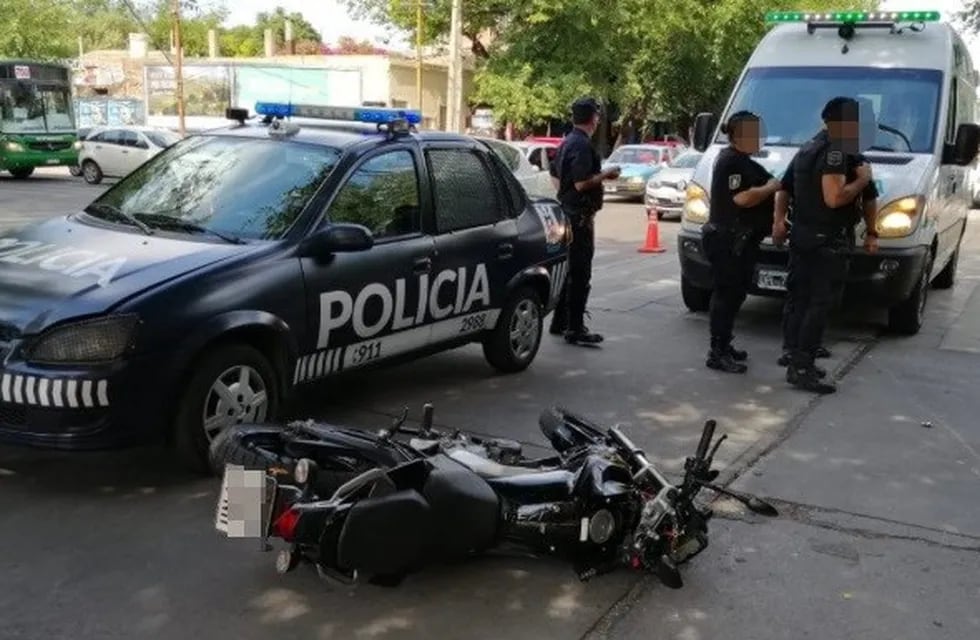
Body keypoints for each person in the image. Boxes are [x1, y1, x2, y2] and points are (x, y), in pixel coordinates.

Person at [772, 97, 879, 394]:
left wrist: (778, 221)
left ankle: (792, 352)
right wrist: (862, 181)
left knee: (798, 299)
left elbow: (784, 188)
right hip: (826, 242)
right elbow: (836, 198)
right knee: (818, 304)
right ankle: (802, 367)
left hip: (803, 238)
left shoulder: (806, 149)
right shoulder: (839, 153)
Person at [701, 110, 783, 373]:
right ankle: (717, 351)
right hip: (728, 241)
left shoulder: (742, 160)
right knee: (726, 296)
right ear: (739, 135)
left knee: (735, 294)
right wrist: (771, 187)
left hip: (740, 241)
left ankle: (725, 344)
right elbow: (742, 199)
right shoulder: (731, 161)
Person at [547, 97, 621, 345]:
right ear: (593, 118)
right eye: (597, 116)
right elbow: (580, 183)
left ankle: (561, 321)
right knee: (580, 273)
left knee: (568, 270)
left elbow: (555, 175)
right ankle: (575, 327)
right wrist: (606, 174)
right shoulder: (581, 146)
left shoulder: (567, 142)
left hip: (567, 213)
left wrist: (564, 196)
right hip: (578, 218)